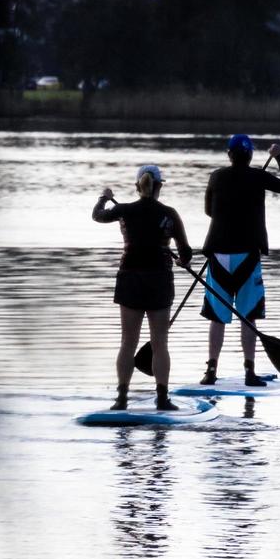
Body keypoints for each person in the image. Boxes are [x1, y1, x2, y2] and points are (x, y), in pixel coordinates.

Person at [93, 164, 195, 411]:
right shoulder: (169, 214)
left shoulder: (124, 210)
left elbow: (98, 215)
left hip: (130, 279)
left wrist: (103, 198)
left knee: (128, 342)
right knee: (160, 343)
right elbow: (186, 252)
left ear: (138, 186)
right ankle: (162, 399)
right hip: (159, 280)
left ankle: (121, 399)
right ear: (159, 186)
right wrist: (183, 261)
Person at [200, 135, 280, 387]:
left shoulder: (216, 176)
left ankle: (211, 371)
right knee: (248, 316)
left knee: (218, 317)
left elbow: (209, 211)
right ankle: (249, 372)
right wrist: (279, 158)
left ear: (229, 154)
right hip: (247, 256)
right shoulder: (258, 177)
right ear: (251, 156)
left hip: (218, 256)